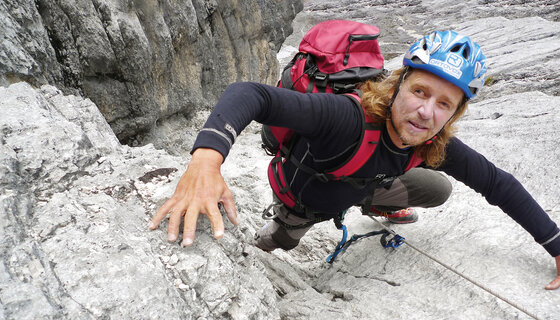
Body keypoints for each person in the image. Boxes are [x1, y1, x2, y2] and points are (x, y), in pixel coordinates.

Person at [148, 30, 560, 290]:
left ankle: (376, 203)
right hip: (307, 199)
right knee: (279, 243)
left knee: (438, 187)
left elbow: (498, 184)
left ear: (453, 114)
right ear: (398, 85)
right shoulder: (347, 118)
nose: (426, 112)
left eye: (444, 104)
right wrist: (205, 163)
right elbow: (250, 94)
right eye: (419, 92)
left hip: (365, 184)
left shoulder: (432, 143)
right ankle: (273, 234)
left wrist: (555, 245)